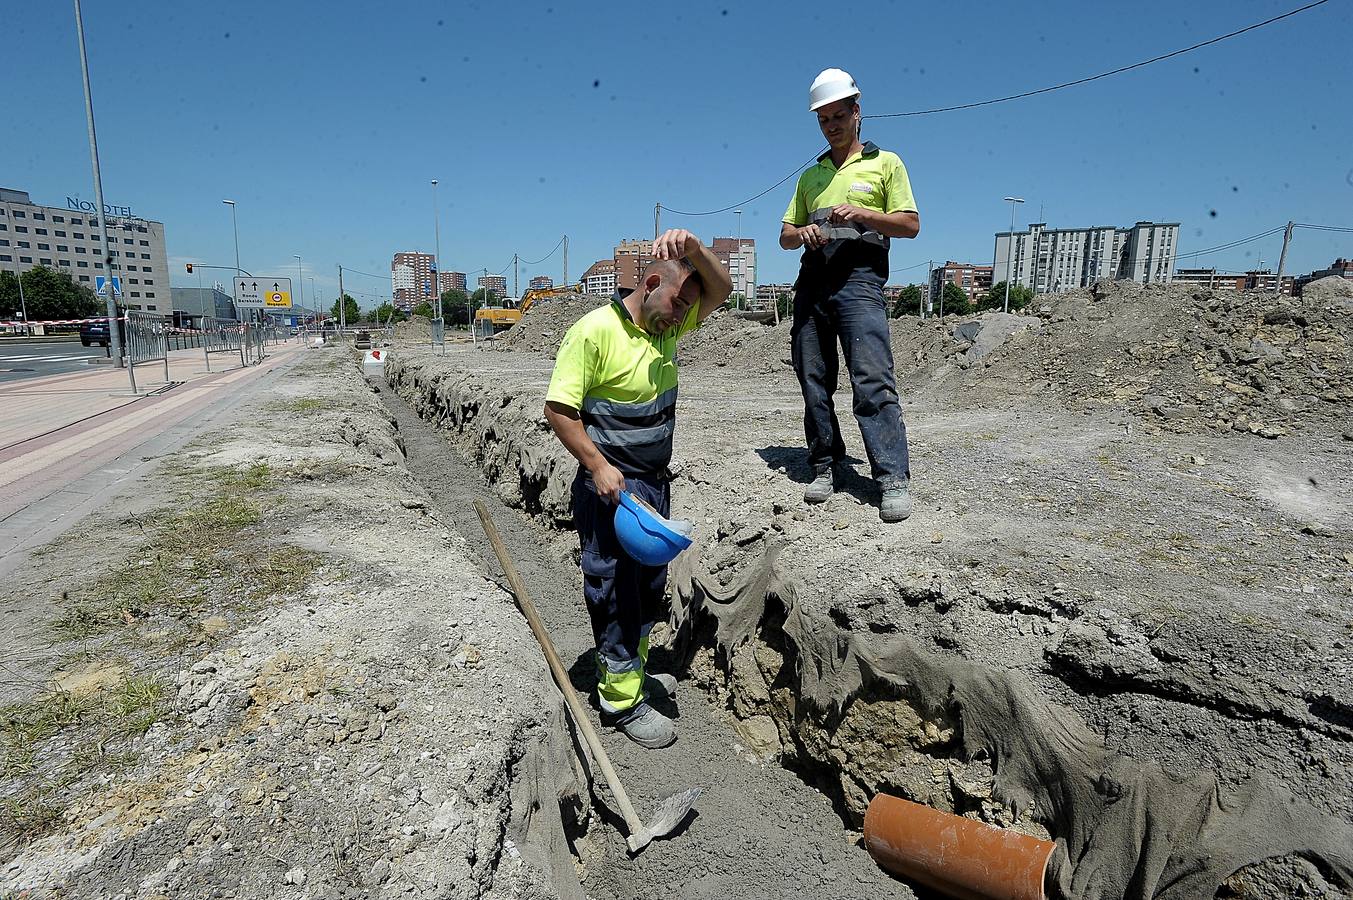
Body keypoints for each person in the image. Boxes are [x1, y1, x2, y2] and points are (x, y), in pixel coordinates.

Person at [543, 230, 732, 748]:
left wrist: (693, 250)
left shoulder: (663, 327)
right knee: (613, 590)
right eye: (677, 304)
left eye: (686, 310)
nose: (682, 318)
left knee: (649, 586)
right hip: (609, 489)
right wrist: (598, 466)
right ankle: (620, 700)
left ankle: (636, 672)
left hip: (652, 487)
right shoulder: (594, 332)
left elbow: (722, 288)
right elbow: (559, 411)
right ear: (651, 283)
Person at [780, 68, 921, 523]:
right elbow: (784, 235)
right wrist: (802, 233)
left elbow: (910, 225)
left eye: (838, 115)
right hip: (813, 282)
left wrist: (863, 212)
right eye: (823, 119)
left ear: (857, 112)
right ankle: (825, 463)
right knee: (814, 378)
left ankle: (892, 478)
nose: (831, 125)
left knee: (872, 378)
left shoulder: (886, 164)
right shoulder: (810, 176)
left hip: (860, 281)